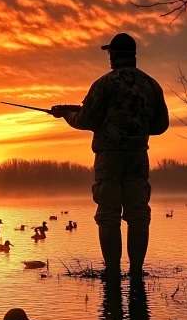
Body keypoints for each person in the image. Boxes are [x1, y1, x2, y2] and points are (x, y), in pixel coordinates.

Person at [51, 33, 169, 281]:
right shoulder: (151, 85)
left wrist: (67, 115)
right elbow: (161, 126)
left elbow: (86, 120)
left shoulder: (103, 84)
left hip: (109, 159)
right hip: (138, 157)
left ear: (114, 55)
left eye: (110, 53)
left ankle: (112, 272)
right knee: (138, 215)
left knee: (108, 215)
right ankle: (136, 272)